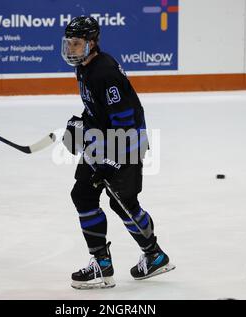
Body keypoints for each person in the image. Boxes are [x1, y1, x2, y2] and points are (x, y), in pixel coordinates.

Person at [61, 16, 175, 289]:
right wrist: (81, 124)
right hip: (103, 141)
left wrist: (112, 162)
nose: (71, 50)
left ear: (92, 43)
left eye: (76, 44)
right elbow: (98, 112)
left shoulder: (105, 73)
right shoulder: (85, 68)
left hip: (127, 144)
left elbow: (126, 121)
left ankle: (154, 254)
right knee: (83, 194)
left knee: (123, 202)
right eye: (69, 44)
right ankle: (101, 263)